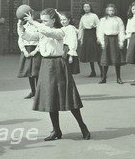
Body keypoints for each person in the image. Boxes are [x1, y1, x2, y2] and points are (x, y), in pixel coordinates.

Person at [24, 9, 90, 141]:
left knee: (68, 98)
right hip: (46, 65)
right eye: (41, 20)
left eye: (45, 20)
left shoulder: (60, 31)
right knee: (50, 99)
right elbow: (29, 37)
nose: (42, 23)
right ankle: (56, 130)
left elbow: (49, 32)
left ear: (53, 20)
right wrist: (22, 28)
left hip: (58, 65)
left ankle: (83, 127)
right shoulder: (42, 31)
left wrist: (34, 22)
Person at [96, 4, 126, 84]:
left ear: (115, 11)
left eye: (112, 10)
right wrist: (102, 42)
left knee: (117, 60)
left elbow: (121, 31)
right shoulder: (103, 20)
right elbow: (100, 31)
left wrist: (121, 41)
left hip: (115, 40)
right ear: (106, 11)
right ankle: (103, 78)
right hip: (106, 40)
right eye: (109, 10)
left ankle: (118, 78)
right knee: (106, 59)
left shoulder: (118, 20)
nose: (111, 12)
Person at [17, 16, 41, 98]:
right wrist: (24, 51)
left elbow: (40, 40)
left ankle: (38, 92)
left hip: (36, 50)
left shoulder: (37, 26)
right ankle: (33, 91)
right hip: (27, 50)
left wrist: (36, 50)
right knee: (29, 72)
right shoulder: (23, 27)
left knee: (36, 72)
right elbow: (20, 39)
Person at [78, 3, 101, 78]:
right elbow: (81, 28)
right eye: (84, 7)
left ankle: (103, 72)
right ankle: (93, 71)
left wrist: (98, 37)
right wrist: (80, 39)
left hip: (93, 34)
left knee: (96, 53)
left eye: (88, 7)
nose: (86, 8)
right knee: (89, 53)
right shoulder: (83, 17)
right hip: (86, 36)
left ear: (90, 8)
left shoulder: (94, 16)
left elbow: (98, 26)